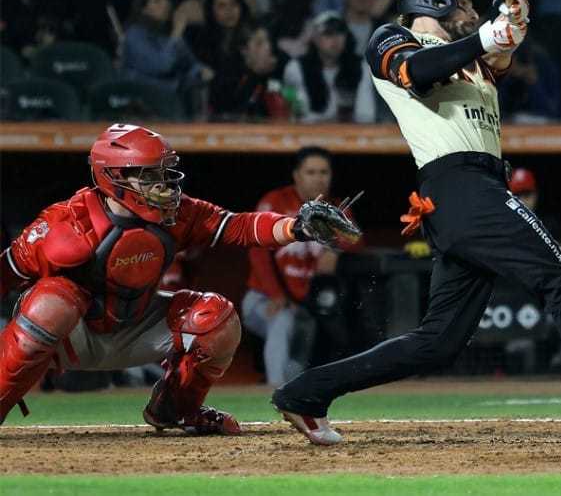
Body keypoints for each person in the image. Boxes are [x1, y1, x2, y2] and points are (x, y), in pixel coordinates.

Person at [271, 0, 561, 445]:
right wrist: (488, 33)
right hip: (458, 186)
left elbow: (494, 53)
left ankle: (306, 393)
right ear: (433, 1)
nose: (472, 11)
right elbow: (417, 74)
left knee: (438, 342)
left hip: (471, 190)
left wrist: (512, 26)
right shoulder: (390, 37)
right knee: (560, 278)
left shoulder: (473, 60)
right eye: (463, 2)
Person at [0, 123, 358, 433]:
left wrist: (295, 226)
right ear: (115, 177)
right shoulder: (64, 222)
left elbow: (237, 226)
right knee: (52, 302)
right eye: (151, 175)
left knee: (216, 318)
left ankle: (176, 409)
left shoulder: (179, 212)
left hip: (135, 325)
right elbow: (6, 271)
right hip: (71, 336)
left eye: (166, 174)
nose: (165, 186)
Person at [243, 147, 364, 386]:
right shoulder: (274, 202)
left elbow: (357, 241)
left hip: (305, 306)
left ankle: (290, 392)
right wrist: (276, 294)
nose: (318, 178)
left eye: (324, 172)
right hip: (263, 300)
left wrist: (335, 250)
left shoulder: (336, 208)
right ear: (296, 175)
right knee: (283, 318)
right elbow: (258, 251)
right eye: (311, 172)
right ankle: (274, 389)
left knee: (300, 357)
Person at [120, 0, 213, 113]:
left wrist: (200, 71)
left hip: (173, 94)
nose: (165, 5)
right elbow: (162, 66)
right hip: (144, 98)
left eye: (166, 0)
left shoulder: (168, 32)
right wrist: (175, 35)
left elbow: (189, 61)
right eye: (157, 1)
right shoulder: (134, 35)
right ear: (144, 8)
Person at [281, 11, 361, 123]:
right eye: (328, 33)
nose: (335, 40)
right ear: (315, 38)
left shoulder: (359, 67)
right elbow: (297, 114)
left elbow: (366, 113)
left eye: (340, 32)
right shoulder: (296, 68)